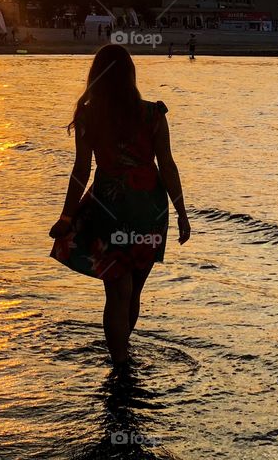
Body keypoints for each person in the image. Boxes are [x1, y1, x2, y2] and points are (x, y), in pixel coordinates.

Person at [50, 44, 190, 368]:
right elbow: (167, 166)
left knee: (117, 292)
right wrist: (182, 213)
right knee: (134, 291)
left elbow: (81, 169)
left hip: (111, 208)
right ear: (131, 75)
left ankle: (120, 363)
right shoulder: (154, 114)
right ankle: (124, 360)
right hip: (150, 211)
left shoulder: (89, 117)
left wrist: (67, 214)